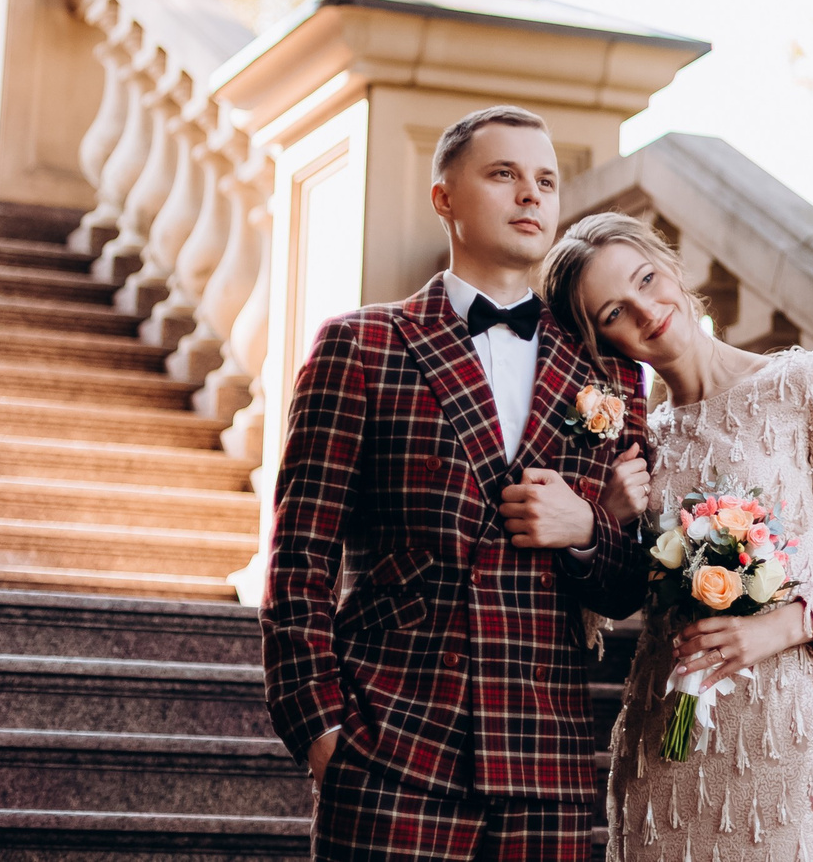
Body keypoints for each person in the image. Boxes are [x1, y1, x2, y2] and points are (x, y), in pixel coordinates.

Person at [263, 104, 654, 861]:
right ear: (444, 197)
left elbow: (627, 583)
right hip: (392, 752)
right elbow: (298, 558)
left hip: (547, 764)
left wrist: (587, 529)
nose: (531, 195)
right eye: (503, 174)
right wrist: (321, 730)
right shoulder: (362, 346)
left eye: (545, 179)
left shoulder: (608, 368)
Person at [538, 211, 813, 861]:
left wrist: (782, 624)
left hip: (788, 739)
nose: (646, 310)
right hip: (669, 743)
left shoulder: (802, 384)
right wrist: (606, 516)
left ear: (673, 264)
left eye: (647, 278)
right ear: (601, 339)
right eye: (614, 311)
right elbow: (601, 608)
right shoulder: (631, 444)